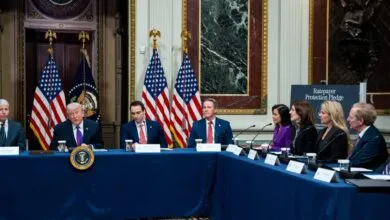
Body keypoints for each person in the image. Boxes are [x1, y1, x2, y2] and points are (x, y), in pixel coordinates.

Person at [347, 102, 387, 170]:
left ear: (361, 121)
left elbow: (359, 163)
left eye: (351, 117)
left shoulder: (374, 138)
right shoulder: (365, 134)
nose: (348, 119)